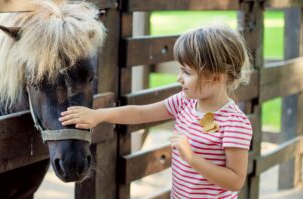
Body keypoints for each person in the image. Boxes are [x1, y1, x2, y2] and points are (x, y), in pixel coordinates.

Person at [59, 24, 253, 199]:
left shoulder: (234, 123)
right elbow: (141, 113)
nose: (179, 78)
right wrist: (99, 115)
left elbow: (235, 180)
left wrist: (191, 158)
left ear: (216, 78)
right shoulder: (184, 102)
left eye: (187, 72)